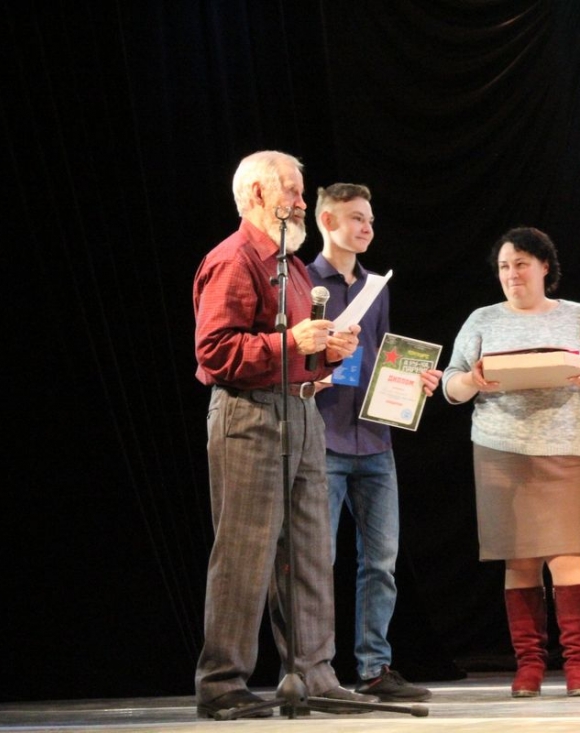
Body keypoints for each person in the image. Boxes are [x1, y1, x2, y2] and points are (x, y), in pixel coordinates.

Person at [192, 150, 377, 719]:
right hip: (249, 416)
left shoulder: (290, 264)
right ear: (256, 195)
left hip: (301, 412)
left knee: (310, 552)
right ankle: (222, 682)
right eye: (293, 192)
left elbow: (299, 352)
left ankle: (314, 675)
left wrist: (328, 352)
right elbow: (214, 352)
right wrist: (292, 343)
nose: (301, 202)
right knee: (245, 553)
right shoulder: (234, 259)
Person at [442, 227, 580, 698]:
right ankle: (529, 666)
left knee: (567, 555)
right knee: (519, 560)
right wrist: (473, 381)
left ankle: (579, 664)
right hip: (500, 447)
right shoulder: (482, 319)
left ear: (545, 266)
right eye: (504, 266)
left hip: (566, 445)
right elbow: (451, 385)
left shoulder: (576, 315)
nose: (512, 274)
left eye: (521, 264)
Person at [307, 183, 441, 702]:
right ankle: (315, 670)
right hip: (322, 437)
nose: (366, 228)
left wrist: (415, 378)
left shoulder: (375, 287)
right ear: (327, 221)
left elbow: (385, 354)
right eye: (356, 218)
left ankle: (374, 668)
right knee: (318, 561)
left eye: (370, 220)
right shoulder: (304, 282)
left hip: (375, 440)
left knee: (381, 561)